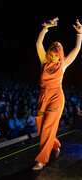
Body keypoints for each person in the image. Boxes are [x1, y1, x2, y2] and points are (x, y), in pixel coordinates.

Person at [33, 17, 82, 170]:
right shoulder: (44, 60)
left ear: (60, 52)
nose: (56, 45)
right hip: (43, 96)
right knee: (42, 129)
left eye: (59, 45)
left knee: (47, 128)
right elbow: (38, 43)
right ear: (50, 51)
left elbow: (76, 50)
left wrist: (80, 34)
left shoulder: (63, 64)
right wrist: (45, 28)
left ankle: (41, 160)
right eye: (54, 45)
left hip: (56, 98)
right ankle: (55, 145)